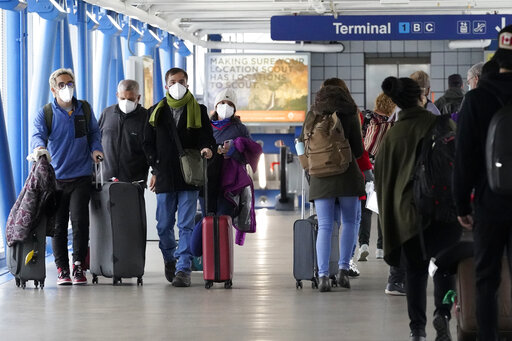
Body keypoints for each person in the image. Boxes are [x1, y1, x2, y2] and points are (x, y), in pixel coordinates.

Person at [375, 76, 461, 341]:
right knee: (447, 268)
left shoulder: (391, 137)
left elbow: (382, 183)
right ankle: (443, 312)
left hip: (408, 216)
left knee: (415, 272)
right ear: (422, 96)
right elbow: (460, 165)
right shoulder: (442, 123)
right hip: (443, 210)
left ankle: (417, 330)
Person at [453, 25, 512, 341]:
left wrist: (461, 203)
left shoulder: (476, 100)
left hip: (488, 202)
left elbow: (464, 158)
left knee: (487, 278)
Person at [143, 67, 215, 287]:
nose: (177, 85)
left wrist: (207, 149)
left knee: (185, 224)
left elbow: (206, 137)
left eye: (181, 81)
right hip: (164, 174)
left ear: (188, 84)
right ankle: (169, 258)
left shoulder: (199, 110)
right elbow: (147, 143)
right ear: (166, 85)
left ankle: (183, 267)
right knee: (164, 225)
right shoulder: (156, 111)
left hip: (188, 176)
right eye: (173, 81)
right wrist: (154, 169)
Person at [31, 68, 103, 285]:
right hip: (57, 179)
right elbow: (37, 134)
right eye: (61, 85)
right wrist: (40, 147)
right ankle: (62, 268)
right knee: (59, 225)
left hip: (81, 175)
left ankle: (78, 265)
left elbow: (94, 133)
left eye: (70, 83)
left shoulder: (85, 109)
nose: (67, 88)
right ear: (53, 89)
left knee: (80, 222)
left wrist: (96, 149)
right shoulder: (46, 113)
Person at [299, 85, 365, 292]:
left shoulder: (313, 114)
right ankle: (344, 270)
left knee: (326, 226)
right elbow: (358, 149)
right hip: (347, 176)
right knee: (349, 222)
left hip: (320, 176)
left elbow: (303, 143)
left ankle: (323, 275)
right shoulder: (349, 113)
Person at [204, 88, 262, 245]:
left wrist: (233, 152)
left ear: (234, 109)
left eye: (229, 104)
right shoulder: (206, 127)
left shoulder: (239, 129)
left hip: (230, 184)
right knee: (206, 220)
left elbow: (250, 154)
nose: (225, 106)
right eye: (222, 103)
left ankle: (221, 257)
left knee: (223, 220)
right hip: (208, 181)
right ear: (215, 106)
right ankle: (204, 254)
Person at [98, 79, 149, 183]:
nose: (126, 102)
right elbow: (96, 141)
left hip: (133, 182)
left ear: (138, 98)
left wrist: (155, 173)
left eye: (130, 99)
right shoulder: (107, 114)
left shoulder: (146, 118)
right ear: (117, 95)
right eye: (122, 98)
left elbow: (152, 149)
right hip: (105, 180)